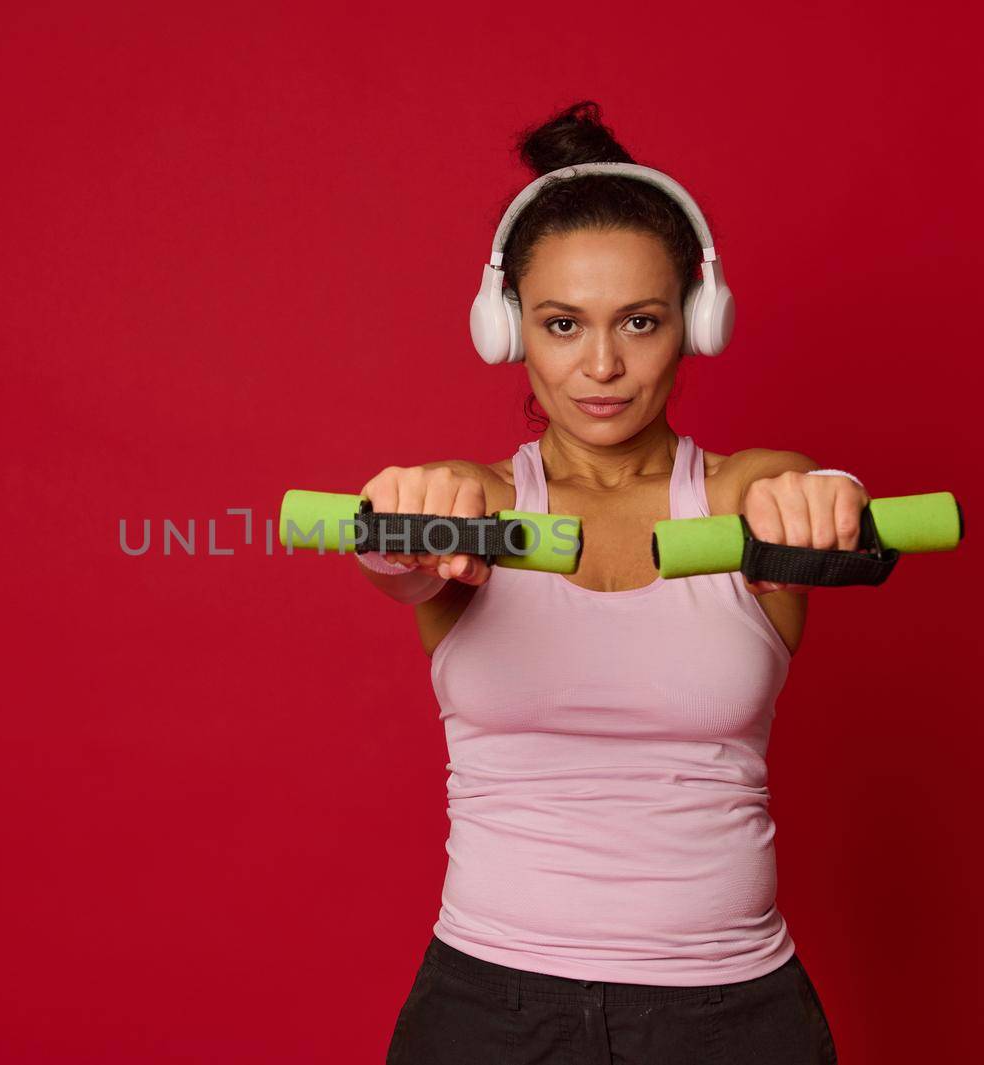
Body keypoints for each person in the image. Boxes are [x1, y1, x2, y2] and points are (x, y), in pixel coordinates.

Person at [367, 101, 850, 1064]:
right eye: (561, 324)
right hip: (485, 1013)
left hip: (729, 1017)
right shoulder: (473, 507)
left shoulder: (747, 491)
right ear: (508, 331)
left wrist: (830, 497)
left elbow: (815, 499)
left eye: (639, 321)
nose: (601, 366)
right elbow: (396, 559)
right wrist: (401, 521)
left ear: (697, 322)